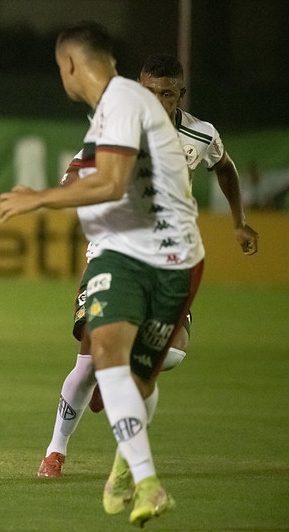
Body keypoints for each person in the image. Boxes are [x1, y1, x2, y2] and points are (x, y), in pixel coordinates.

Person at [0, 22, 205, 526]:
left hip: (159, 259)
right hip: (145, 256)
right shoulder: (122, 111)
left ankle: (125, 460)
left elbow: (110, 182)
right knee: (109, 361)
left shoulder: (123, 103)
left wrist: (39, 197)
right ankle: (143, 479)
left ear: (69, 66)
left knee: (141, 372)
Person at [35, 52, 260, 481]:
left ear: (181, 95)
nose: (158, 100)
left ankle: (113, 375)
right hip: (113, 253)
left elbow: (225, 168)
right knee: (88, 359)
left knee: (171, 353)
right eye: (151, 91)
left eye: (168, 94)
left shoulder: (200, 134)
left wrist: (239, 221)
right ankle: (55, 452)